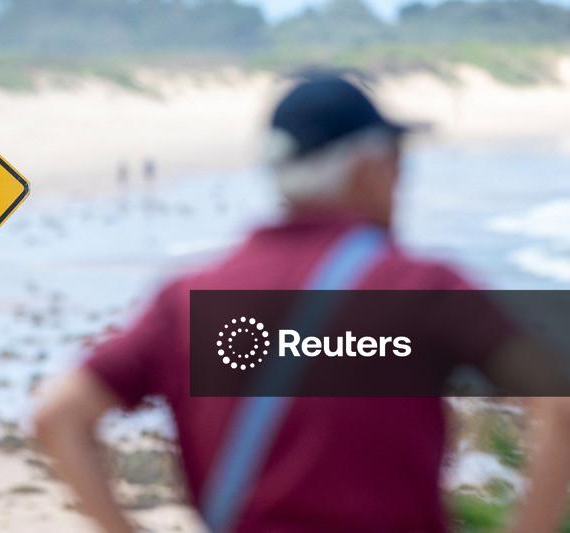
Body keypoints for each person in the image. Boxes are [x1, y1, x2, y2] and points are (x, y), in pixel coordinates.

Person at [29, 77, 570, 532]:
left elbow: (59, 415)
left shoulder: (188, 298)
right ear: (367, 170)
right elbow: (559, 402)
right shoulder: (424, 287)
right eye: (397, 163)